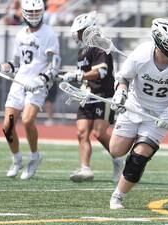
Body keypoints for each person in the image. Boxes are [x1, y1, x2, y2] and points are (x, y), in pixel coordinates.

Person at [108, 18, 168, 209]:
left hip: (161, 115)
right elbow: (124, 78)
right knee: (116, 150)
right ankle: (126, 159)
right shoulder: (141, 54)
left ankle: (118, 196)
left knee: (140, 156)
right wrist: (120, 93)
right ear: (160, 42)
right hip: (134, 106)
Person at [0, 0, 60, 180]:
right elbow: (15, 64)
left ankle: (34, 157)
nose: (33, 15)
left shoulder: (49, 34)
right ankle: (17, 159)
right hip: (19, 83)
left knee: (27, 120)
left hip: (37, 85)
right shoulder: (20, 35)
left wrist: (42, 79)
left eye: (36, 11)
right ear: (23, 12)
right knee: (7, 126)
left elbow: (55, 65)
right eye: (30, 12)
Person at [62, 11, 124, 183]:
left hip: (103, 95)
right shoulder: (83, 51)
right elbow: (85, 73)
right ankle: (85, 168)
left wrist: (78, 76)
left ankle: (119, 159)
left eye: (81, 32)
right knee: (82, 132)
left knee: (99, 133)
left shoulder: (100, 47)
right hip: (87, 95)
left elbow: (101, 72)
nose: (78, 36)